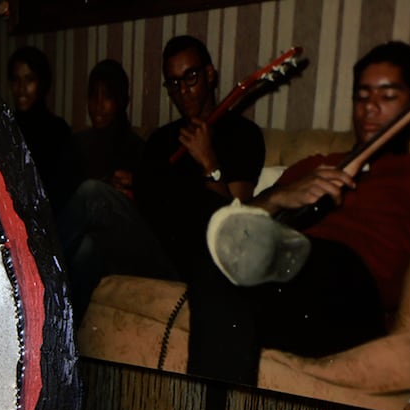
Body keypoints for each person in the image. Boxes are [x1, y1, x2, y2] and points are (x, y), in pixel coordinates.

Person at [188, 41, 410, 385]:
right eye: (363, 96)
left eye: (387, 95)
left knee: (301, 259)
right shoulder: (315, 166)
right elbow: (237, 225)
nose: (370, 108)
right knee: (226, 263)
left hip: (355, 294)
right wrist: (279, 197)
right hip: (289, 296)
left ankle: (276, 256)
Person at [58, 36, 263, 318]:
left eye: (191, 77)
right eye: (174, 83)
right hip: (153, 249)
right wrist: (128, 191)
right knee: (87, 248)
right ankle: (52, 348)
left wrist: (209, 163)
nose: (183, 91)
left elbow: (236, 222)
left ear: (210, 74)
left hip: (193, 260)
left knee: (91, 194)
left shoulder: (243, 134)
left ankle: (32, 265)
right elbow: (146, 208)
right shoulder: (160, 140)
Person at [7, 46, 77, 210]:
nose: (22, 88)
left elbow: (63, 190)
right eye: (16, 80)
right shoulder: (6, 128)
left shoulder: (58, 130)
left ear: (41, 84)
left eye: (29, 80)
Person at [73, 59, 144, 191]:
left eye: (107, 96)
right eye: (93, 95)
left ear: (120, 101)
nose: (98, 105)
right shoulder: (77, 143)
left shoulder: (136, 149)